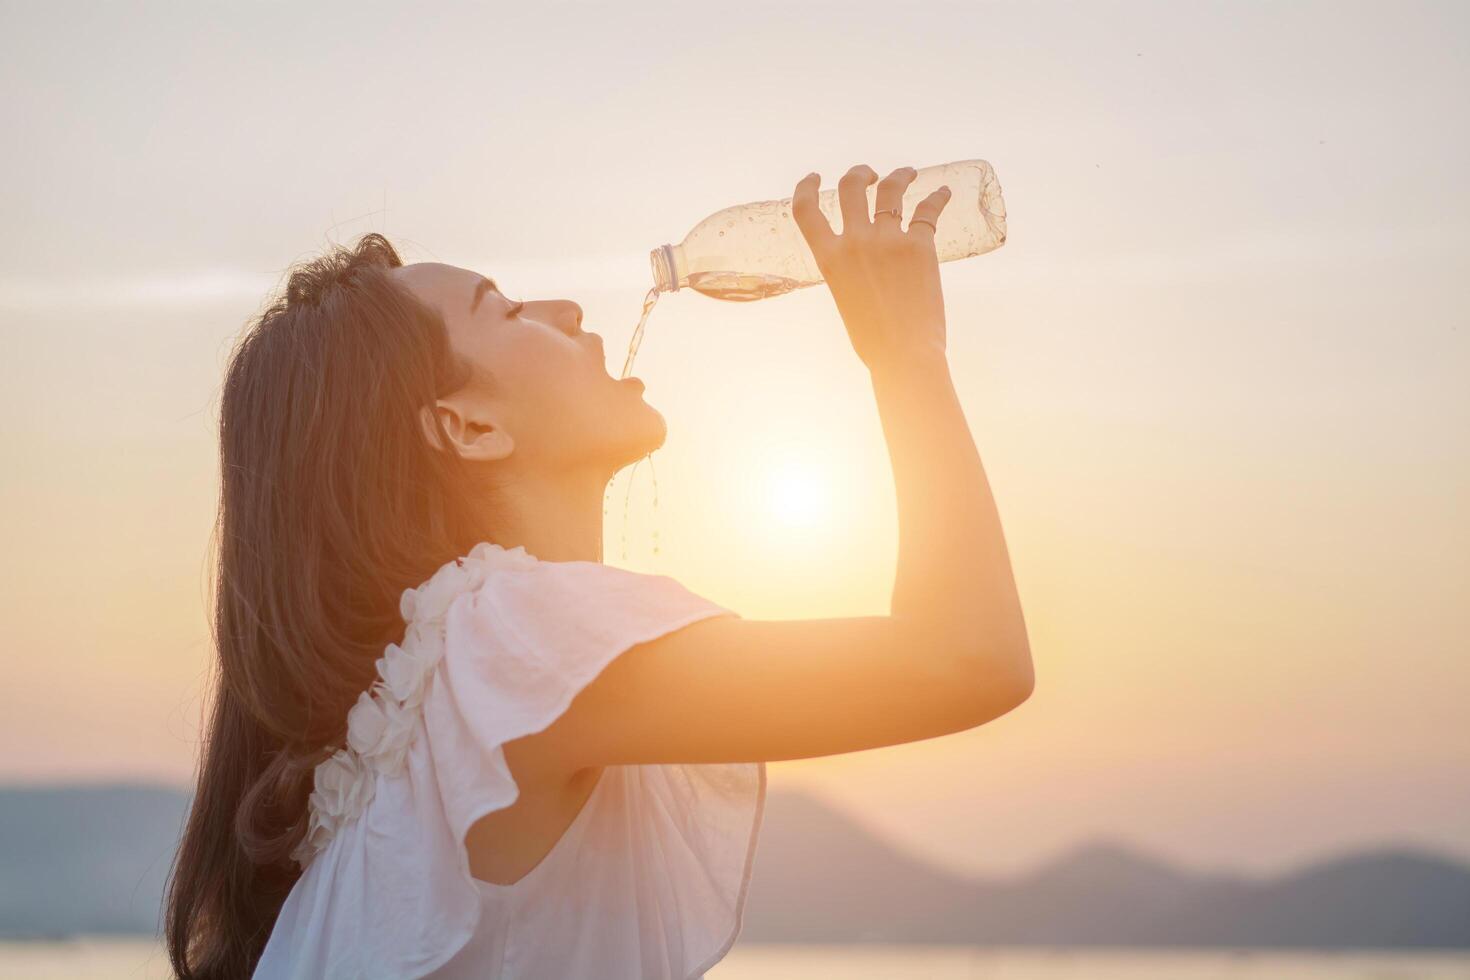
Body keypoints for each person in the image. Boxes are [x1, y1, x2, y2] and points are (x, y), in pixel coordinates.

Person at [164, 163, 1034, 979]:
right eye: (503, 311)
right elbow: (966, 660)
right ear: (467, 429)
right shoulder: (505, 641)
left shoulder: (443, 705)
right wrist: (908, 353)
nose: (569, 309)